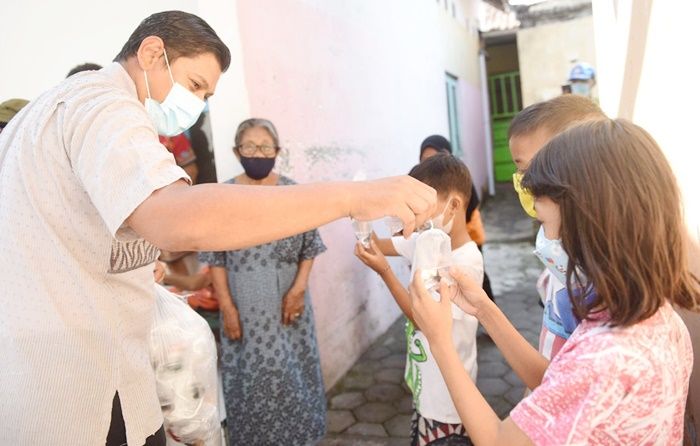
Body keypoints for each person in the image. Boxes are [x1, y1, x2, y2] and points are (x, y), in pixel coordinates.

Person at [0, 11, 436, 446]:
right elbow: (176, 218)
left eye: (206, 95)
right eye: (194, 85)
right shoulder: (103, 106)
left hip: (62, 382)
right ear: (153, 53)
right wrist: (353, 197)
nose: (197, 106)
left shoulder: (51, 115)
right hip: (79, 396)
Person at [411, 118, 699, 445]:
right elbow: (554, 379)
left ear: (591, 224)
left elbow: (498, 440)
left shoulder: (607, 356)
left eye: (547, 224)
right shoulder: (657, 319)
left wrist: (439, 340)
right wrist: (483, 308)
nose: (547, 241)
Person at [198, 118, 327, 445]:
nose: (258, 153)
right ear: (236, 151)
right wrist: (226, 307)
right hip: (244, 311)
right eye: (250, 147)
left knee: (294, 377)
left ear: (277, 152)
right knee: (251, 382)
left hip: (290, 308)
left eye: (265, 147)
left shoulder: (294, 193)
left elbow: (310, 247)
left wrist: (298, 290)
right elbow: (215, 257)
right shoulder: (222, 196)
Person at [355, 154, 483, 446]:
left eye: (423, 208)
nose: (416, 217)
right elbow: (377, 244)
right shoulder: (428, 238)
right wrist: (363, 209)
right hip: (426, 390)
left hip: (449, 403)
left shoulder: (465, 262)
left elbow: (423, 318)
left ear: (454, 205)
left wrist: (385, 272)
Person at [508, 95, 604, 360]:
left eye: (537, 169)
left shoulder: (601, 278)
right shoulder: (555, 250)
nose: (526, 184)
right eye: (522, 172)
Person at [419, 135, 493, 301]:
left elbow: (470, 205)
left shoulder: (457, 178)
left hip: (470, 229)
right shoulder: (423, 182)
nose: (431, 163)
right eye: (425, 159)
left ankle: (487, 308)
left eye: (435, 156)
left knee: (476, 279)